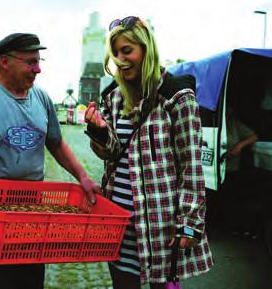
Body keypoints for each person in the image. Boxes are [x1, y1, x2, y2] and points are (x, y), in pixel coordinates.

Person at [0, 32, 102, 289]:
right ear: (5, 61)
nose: (37, 69)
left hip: (32, 212)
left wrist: (83, 177)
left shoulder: (42, 98)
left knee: (30, 278)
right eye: (30, 62)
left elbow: (56, 143)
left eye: (39, 62)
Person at [84, 16, 213, 288]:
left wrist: (189, 223)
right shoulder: (114, 96)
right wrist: (98, 130)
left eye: (127, 50)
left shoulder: (177, 97)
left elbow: (191, 166)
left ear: (146, 49)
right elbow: (112, 153)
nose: (120, 59)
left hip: (158, 227)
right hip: (118, 225)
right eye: (116, 52)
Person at [222, 107, 259, 237]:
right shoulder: (211, 121)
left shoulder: (234, 124)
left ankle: (236, 228)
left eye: (228, 110)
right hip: (214, 170)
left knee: (234, 199)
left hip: (231, 169)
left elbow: (254, 136)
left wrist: (239, 146)